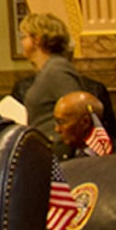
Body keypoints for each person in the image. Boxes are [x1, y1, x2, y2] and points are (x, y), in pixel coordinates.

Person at [19, 12, 82, 142]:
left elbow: (76, 111)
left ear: (37, 40)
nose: (21, 42)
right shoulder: (48, 69)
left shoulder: (57, 69)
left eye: (24, 37)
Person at [53, 91, 110, 159]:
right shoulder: (56, 153)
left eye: (61, 122)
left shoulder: (115, 158)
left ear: (85, 122)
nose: (57, 129)